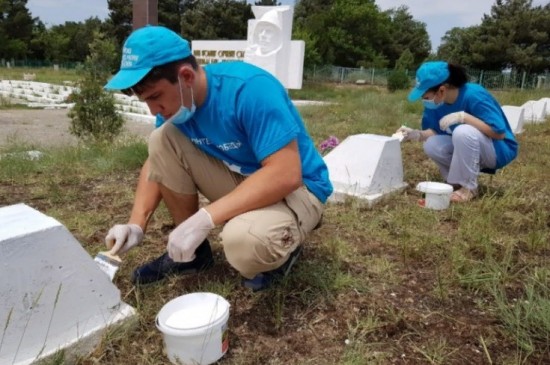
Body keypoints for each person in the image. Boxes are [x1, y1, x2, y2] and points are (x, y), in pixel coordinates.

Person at [103, 25, 332, 291]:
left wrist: (204, 219)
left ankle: (285, 242)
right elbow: (158, 161)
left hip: (299, 189)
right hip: (248, 178)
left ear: (186, 76)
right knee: (161, 138)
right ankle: (194, 256)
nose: (154, 109)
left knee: (244, 243)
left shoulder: (249, 90)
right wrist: (136, 224)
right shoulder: (175, 107)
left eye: (155, 96)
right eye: (145, 101)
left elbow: (285, 173)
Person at [396, 61, 518, 202]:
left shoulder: (474, 94)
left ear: (441, 90)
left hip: (498, 149)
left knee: (462, 131)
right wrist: (417, 134)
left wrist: (464, 117)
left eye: (426, 97)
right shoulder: (436, 104)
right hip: (468, 145)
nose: (424, 101)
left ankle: (469, 188)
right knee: (431, 144)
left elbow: (499, 133)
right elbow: (436, 131)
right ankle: (455, 182)